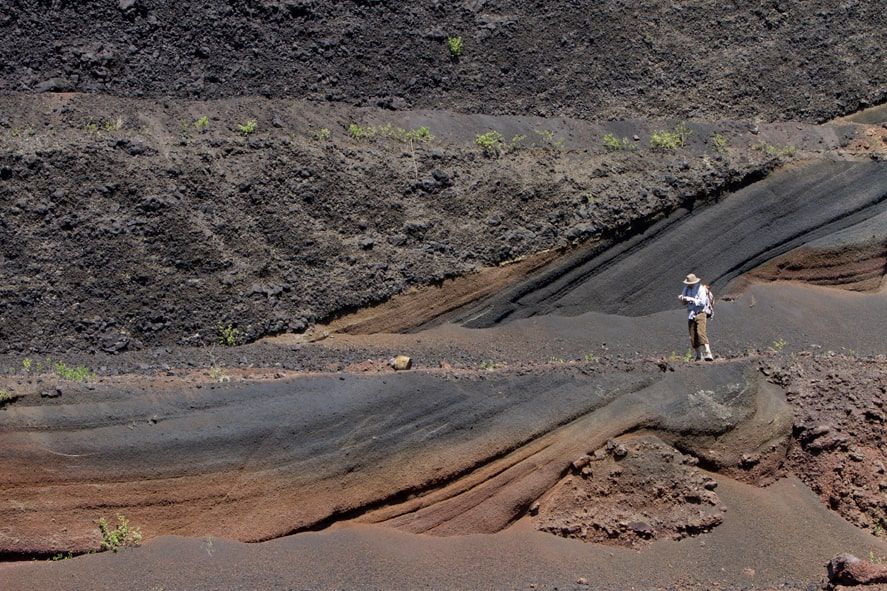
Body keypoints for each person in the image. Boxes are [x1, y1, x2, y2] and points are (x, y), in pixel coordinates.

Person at [678, 273, 713, 361]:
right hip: (691, 314)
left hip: (700, 312)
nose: (688, 285)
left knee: (701, 332)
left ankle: (708, 353)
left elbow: (702, 302)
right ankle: (698, 355)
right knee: (692, 335)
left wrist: (691, 299)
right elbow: (683, 302)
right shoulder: (686, 289)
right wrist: (682, 298)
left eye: (690, 284)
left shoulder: (700, 289)